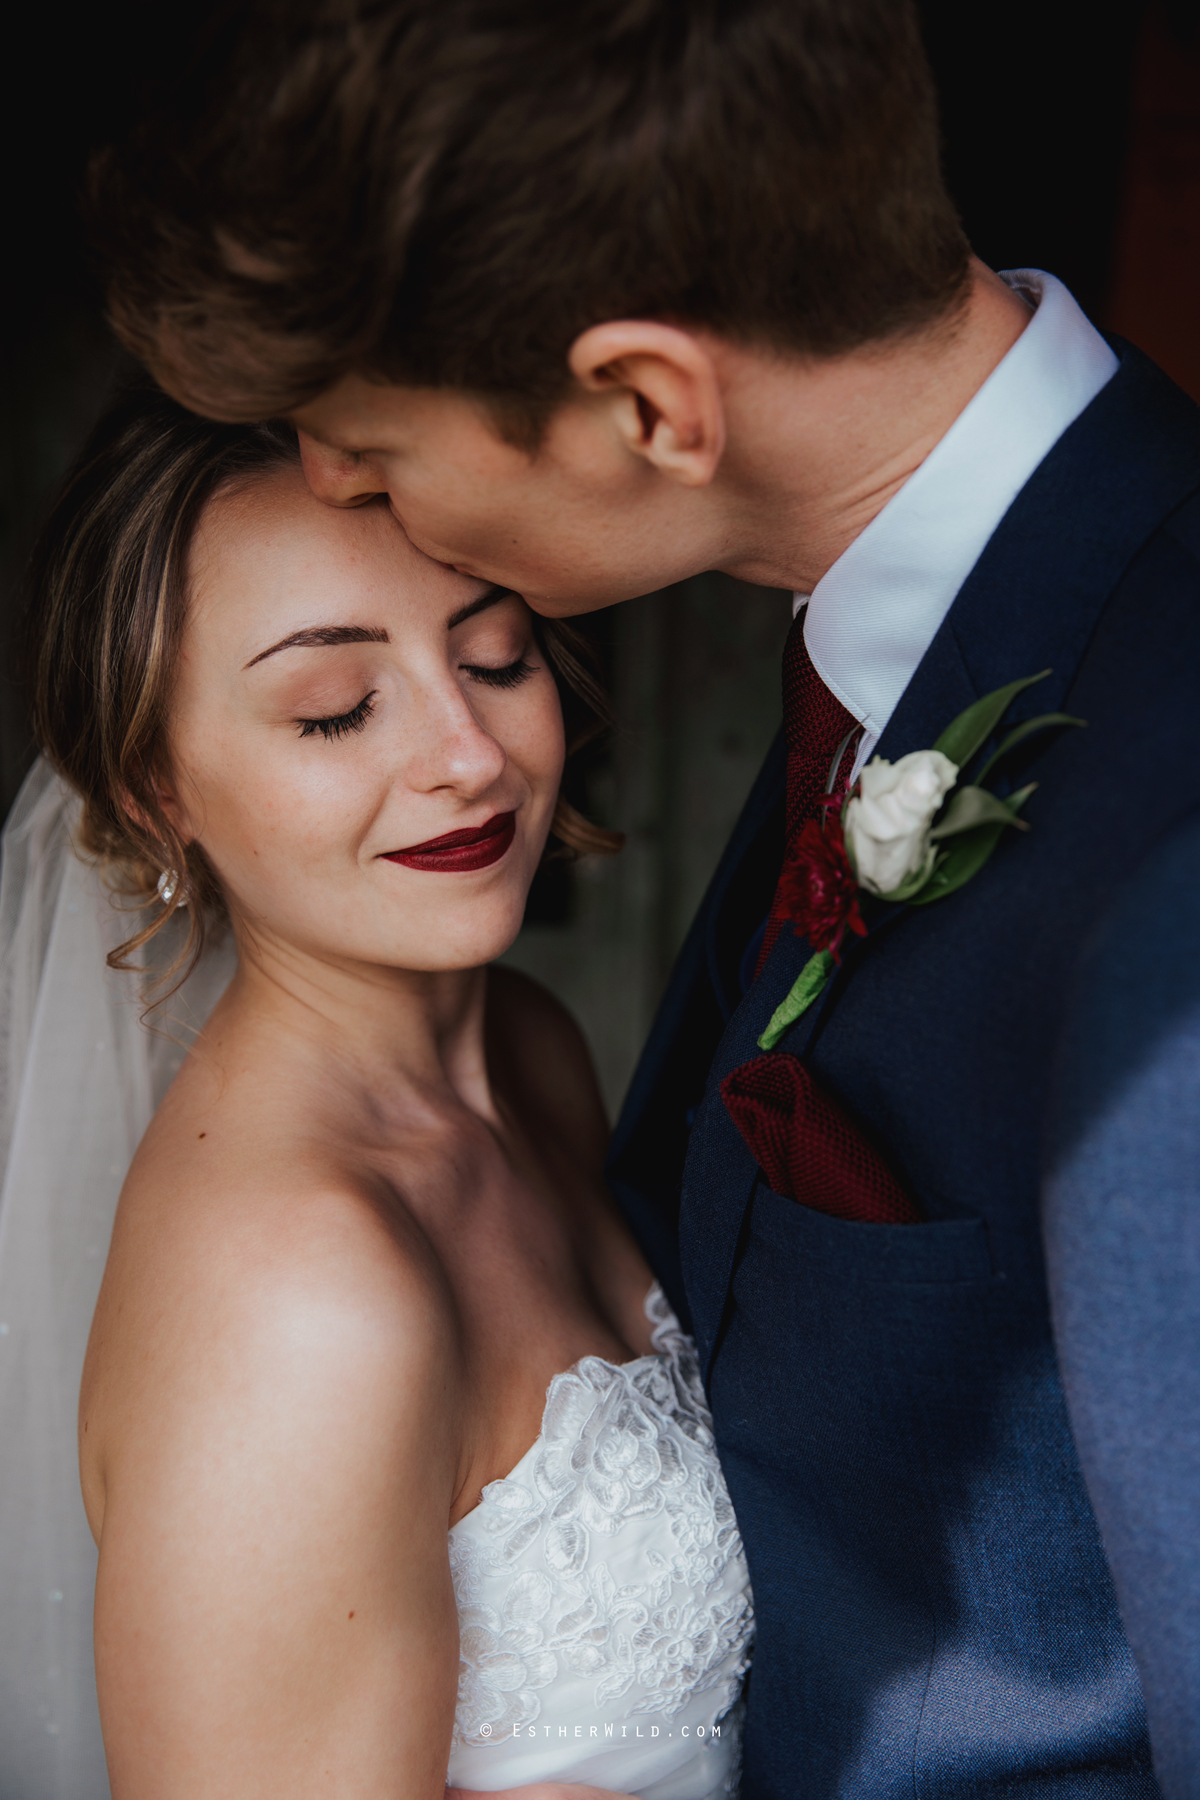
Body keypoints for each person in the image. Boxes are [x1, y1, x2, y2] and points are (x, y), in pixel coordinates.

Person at [85, 0, 1200, 1792]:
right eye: (330, 701)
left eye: (372, 444)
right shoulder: (899, 661)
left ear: (644, 403)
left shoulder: (1164, 837)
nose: (346, 487)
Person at [11, 386, 752, 1799]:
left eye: (495, 654)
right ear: (155, 783)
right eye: (336, 709)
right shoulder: (303, 1291)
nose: (468, 757)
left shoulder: (530, 1053)